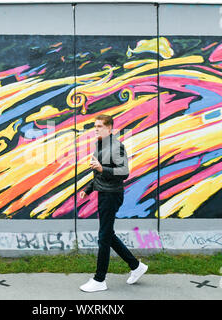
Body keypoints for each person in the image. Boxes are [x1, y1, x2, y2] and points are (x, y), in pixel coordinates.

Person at [79, 114, 148, 293]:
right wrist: (88, 189)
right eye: (95, 126)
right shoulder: (100, 145)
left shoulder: (116, 146)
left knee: (104, 236)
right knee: (108, 235)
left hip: (112, 196)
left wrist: (103, 168)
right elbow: (98, 174)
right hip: (104, 194)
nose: (96, 129)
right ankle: (135, 266)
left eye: (100, 126)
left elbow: (124, 172)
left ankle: (99, 279)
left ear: (109, 129)